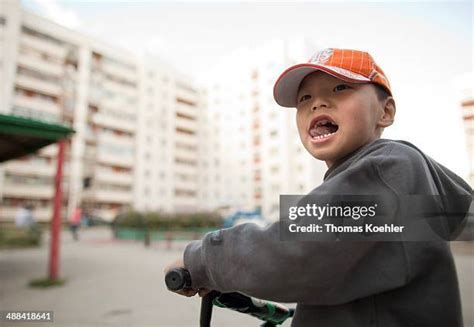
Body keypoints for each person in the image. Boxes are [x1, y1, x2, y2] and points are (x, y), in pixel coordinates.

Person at [165, 48, 473, 326]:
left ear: (385, 112)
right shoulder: (365, 178)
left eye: (341, 88)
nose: (318, 103)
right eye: (304, 98)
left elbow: (300, 250)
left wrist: (203, 258)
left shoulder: (388, 167)